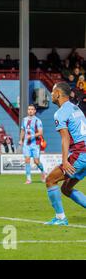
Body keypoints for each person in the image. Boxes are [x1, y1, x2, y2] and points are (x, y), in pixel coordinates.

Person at [43, 82, 86, 226]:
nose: (51, 94)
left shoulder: (60, 113)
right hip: (84, 152)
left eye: (52, 91)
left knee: (50, 180)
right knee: (66, 189)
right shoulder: (76, 108)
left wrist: (65, 161)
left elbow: (65, 138)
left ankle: (61, 219)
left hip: (80, 153)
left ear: (58, 94)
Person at [19, 104, 47, 184]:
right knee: (27, 160)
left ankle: (43, 172)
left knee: (36, 161)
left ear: (35, 111)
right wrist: (21, 139)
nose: (30, 110)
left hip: (35, 144)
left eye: (32, 109)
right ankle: (28, 179)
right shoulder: (24, 120)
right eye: (29, 109)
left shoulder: (38, 120)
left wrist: (32, 136)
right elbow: (23, 130)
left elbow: (41, 133)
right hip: (26, 144)